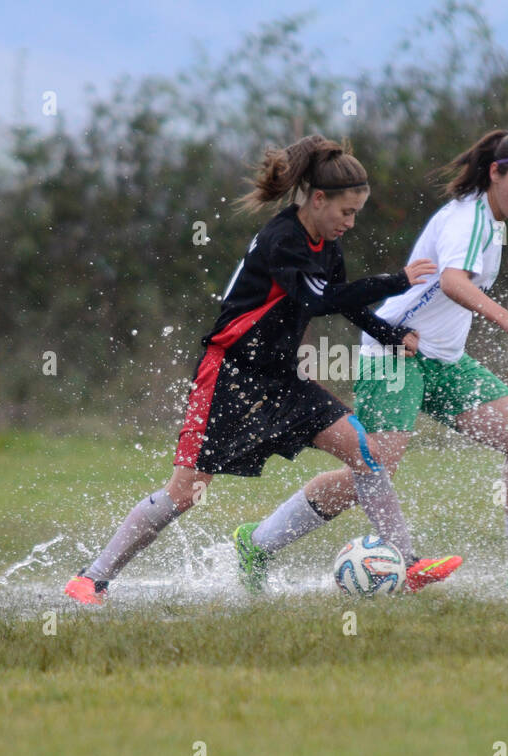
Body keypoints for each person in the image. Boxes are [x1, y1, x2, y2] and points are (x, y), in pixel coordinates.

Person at [65, 135, 462, 604]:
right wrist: (395, 281)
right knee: (186, 492)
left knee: (366, 454)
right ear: (318, 199)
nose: (350, 223)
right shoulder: (282, 239)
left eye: (357, 213)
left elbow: (341, 303)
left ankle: (408, 562)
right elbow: (316, 300)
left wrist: (388, 333)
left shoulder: (327, 243)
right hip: (230, 376)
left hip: (282, 378)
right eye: (346, 212)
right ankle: (91, 579)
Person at [233, 130, 508, 594]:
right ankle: (258, 544)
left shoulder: (491, 220)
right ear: (495, 173)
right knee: (375, 466)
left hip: (444, 360)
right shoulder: (470, 220)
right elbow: (452, 283)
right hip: (394, 352)